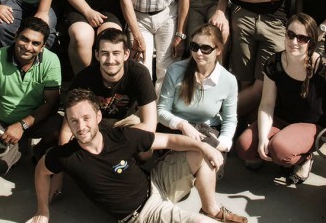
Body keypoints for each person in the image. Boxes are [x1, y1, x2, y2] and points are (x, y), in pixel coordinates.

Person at [28, 88, 248, 223]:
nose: (81, 126)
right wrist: (42, 210)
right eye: (73, 121)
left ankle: (210, 207)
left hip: (155, 183)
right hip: (142, 215)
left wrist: (205, 148)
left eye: (86, 118)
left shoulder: (120, 137)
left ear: (98, 116)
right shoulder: (67, 155)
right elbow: (41, 169)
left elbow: (169, 140)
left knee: (201, 148)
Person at [235, 14, 326, 183]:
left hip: (311, 124)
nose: (294, 42)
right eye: (290, 35)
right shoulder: (274, 63)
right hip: (281, 119)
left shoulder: (322, 67)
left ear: (311, 42)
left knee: (280, 150)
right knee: (244, 146)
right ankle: (275, 146)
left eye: (302, 38)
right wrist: (263, 138)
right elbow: (267, 105)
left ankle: (304, 158)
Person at [0, 17, 62, 175]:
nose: (28, 47)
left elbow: (51, 103)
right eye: (24, 39)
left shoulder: (51, 61)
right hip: (1, 122)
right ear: (16, 36)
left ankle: (37, 150)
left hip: (34, 120)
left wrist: (22, 125)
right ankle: (17, 149)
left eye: (35, 43)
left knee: (60, 129)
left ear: (43, 47)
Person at [158, 24, 238, 154]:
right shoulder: (175, 70)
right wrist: (182, 124)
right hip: (175, 128)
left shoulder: (229, 80)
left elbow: (230, 119)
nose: (198, 53)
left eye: (205, 48)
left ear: (218, 50)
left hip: (208, 130)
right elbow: (161, 111)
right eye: (194, 47)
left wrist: (223, 144)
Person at [65, 28, 157, 137]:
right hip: (94, 123)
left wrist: (110, 140)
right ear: (97, 55)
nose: (110, 60)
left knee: (145, 152)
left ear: (126, 54)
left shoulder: (139, 73)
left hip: (128, 122)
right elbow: (67, 129)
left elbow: (149, 125)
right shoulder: (83, 79)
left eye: (116, 53)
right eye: (105, 53)